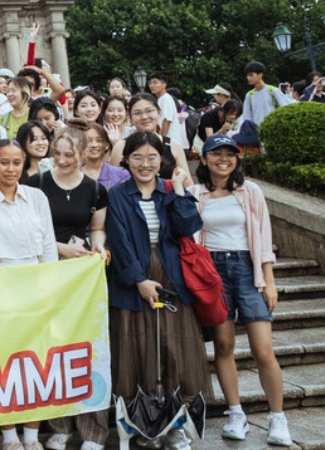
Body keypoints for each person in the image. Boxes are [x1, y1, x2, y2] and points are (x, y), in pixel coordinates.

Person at [105, 132, 209, 450]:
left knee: (175, 351)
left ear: (162, 159)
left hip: (171, 277)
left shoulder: (168, 190)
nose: (145, 164)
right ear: (126, 160)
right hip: (133, 280)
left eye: (152, 157)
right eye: (137, 157)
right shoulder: (118, 194)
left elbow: (188, 226)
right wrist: (139, 280)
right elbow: (119, 240)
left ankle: (175, 427)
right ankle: (142, 425)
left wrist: (177, 190)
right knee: (138, 351)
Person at [193, 134, 292, 446]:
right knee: (223, 346)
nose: (224, 159)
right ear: (204, 158)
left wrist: (269, 281)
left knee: (263, 349)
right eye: (216, 153)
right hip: (213, 272)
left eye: (230, 154)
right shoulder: (196, 193)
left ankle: (278, 417)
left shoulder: (250, 191)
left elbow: (263, 235)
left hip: (248, 269)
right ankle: (236, 413)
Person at [0, 139, 56, 450]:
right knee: (3, 365)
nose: (10, 169)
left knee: (37, 364)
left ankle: (32, 435)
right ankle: (9, 436)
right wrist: (1, 294)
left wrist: (47, 289)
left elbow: (48, 246)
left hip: (37, 289)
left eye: (17, 163)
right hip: (1, 288)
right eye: (4, 162)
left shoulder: (36, 197)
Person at [25, 128, 109, 450]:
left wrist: (97, 247)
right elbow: (28, 228)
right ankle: (59, 425)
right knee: (52, 346)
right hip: (47, 269)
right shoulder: (37, 183)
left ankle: (93, 430)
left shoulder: (96, 190)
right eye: (57, 153)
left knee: (87, 346)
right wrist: (61, 248)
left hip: (81, 273)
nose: (61, 160)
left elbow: (97, 227)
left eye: (69, 154)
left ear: (83, 154)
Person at [76, 119, 130, 191]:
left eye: (99, 140)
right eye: (89, 140)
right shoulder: (73, 175)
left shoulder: (121, 175)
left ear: (107, 145)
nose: (94, 145)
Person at [241, 61, 294, 133]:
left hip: (274, 131)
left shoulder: (273, 91)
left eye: (251, 75)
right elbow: (247, 117)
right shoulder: (249, 95)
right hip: (257, 133)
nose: (248, 78)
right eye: (247, 75)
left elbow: (286, 107)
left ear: (260, 75)